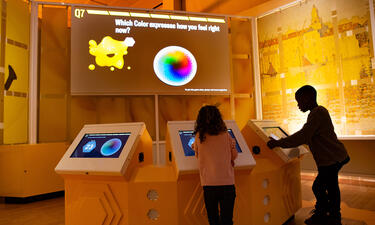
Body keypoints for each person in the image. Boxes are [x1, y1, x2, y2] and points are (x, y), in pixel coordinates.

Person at [267, 85, 350, 225]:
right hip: (333, 158)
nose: (298, 105)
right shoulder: (317, 113)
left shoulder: (318, 113)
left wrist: (278, 143)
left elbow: (303, 136)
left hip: (332, 159)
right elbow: (306, 135)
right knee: (329, 186)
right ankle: (330, 215)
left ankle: (327, 215)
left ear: (308, 98)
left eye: (299, 101)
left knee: (320, 187)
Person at [192, 105, 238, 225]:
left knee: (213, 220)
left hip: (209, 186)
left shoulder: (199, 137)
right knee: (227, 220)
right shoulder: (226, 135)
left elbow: (197, 155)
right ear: (219, 118)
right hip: (228, 185)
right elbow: (234, 155)